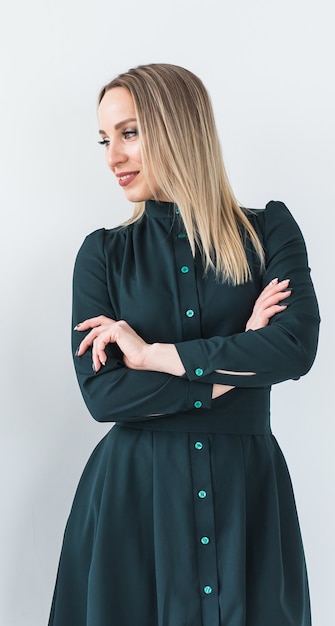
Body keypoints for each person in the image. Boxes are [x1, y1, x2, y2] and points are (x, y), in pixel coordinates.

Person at [48, 63, 320, 626]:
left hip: (247, 495)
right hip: (134, 501)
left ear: (178, 128)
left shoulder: (270, 233)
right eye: (105, 139)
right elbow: (105, 398)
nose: (112, 157)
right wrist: (238, 358)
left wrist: (154, 357)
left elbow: (293, 349)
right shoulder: (101, 256)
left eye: (129, 133)